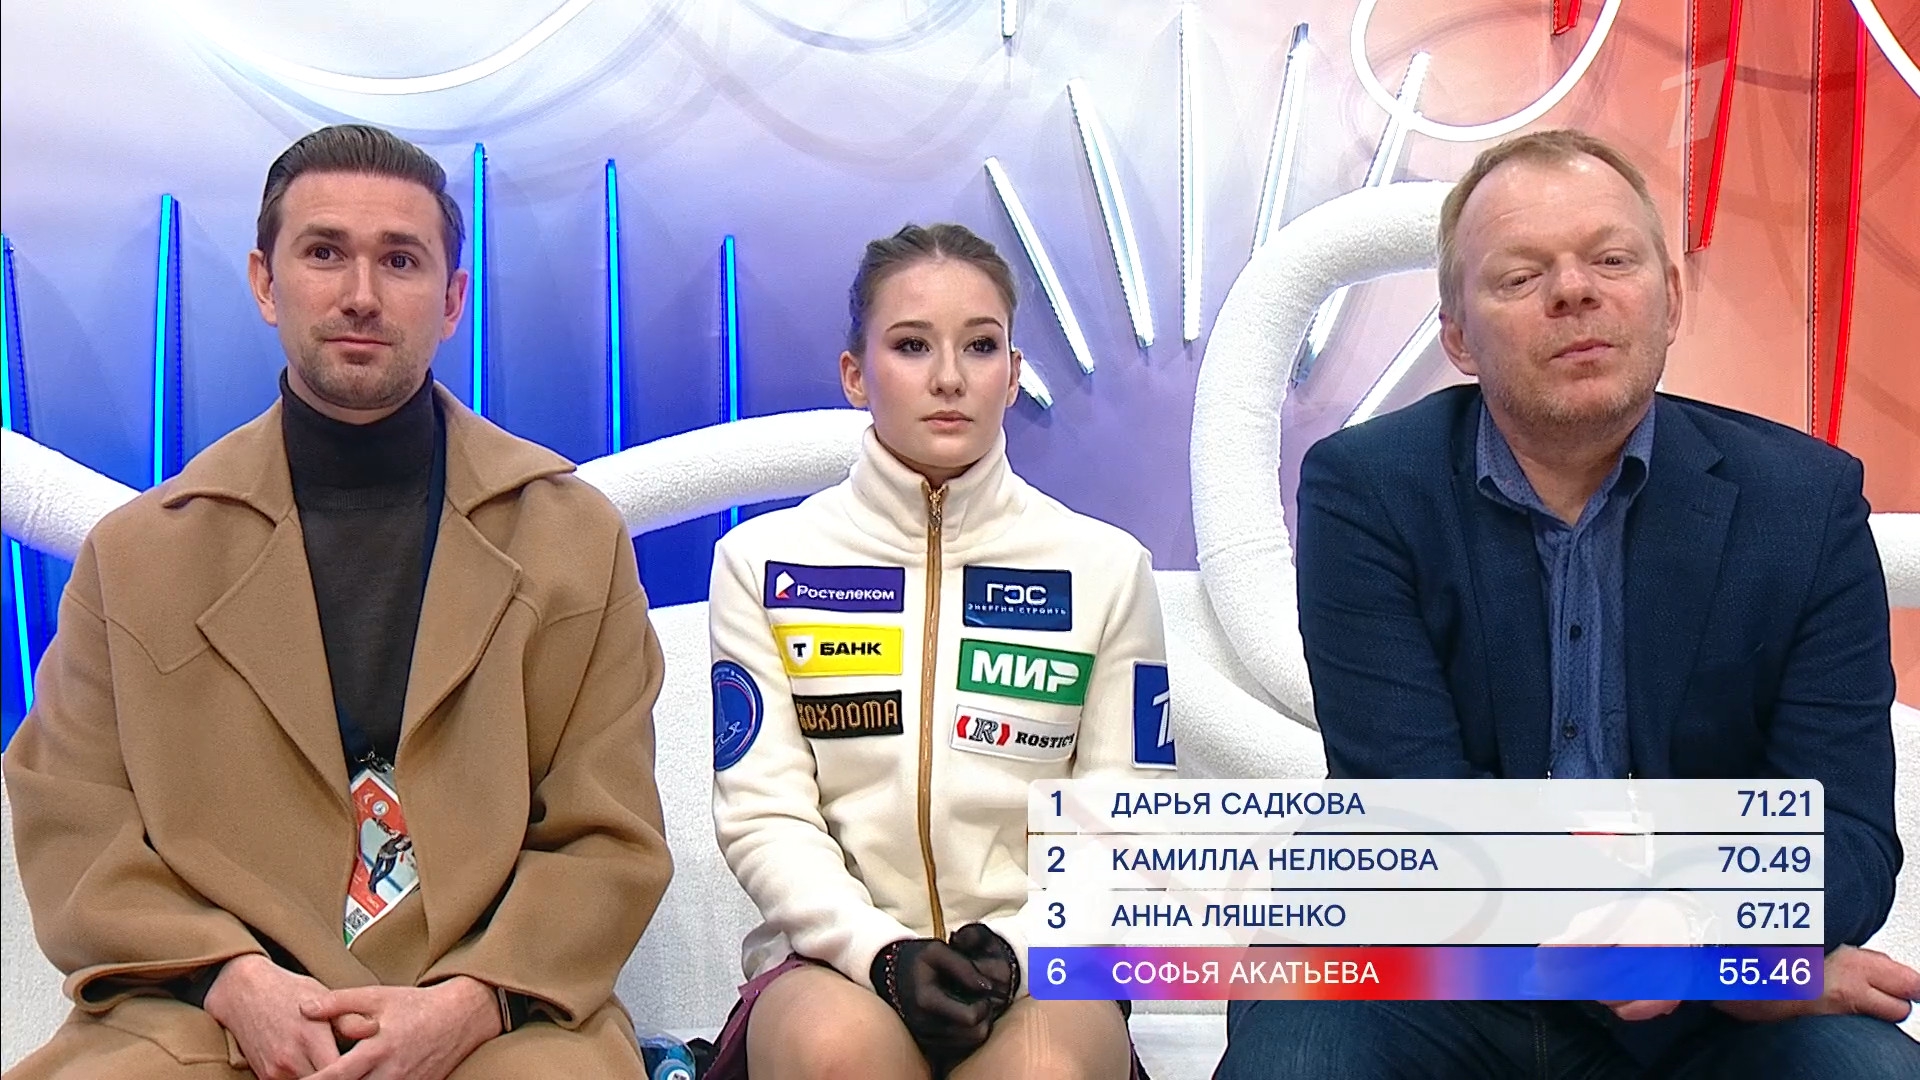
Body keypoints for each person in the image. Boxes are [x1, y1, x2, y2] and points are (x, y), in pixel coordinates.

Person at [1214, 129, 1920, 1078]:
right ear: (1457, 337)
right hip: (1436, 968)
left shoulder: (1804, 502)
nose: (1575, 292)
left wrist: (1708, 936)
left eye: (1612, 260)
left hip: (1702, 999)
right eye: (1520, 276)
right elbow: (1412, 813)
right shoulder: (1366, 488)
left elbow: (1846, 833)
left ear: (1672, 298)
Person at [4, 124, 672, 1079]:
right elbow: (75, 817)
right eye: (324, 253)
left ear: (452, 301)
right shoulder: (138, 556)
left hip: (498, 1012)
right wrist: (232, 980)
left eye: (400, 260)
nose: (361, 294)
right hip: (204, 1011)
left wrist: (471, 1003)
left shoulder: (573, 537)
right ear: (264, 282)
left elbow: (610, 834)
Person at [703, 223, 1171, 1079]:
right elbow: (765, 814)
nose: (949, 377)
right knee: (841, 1058)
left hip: (1045, 964)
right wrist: (880, 954)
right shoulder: (760, 563)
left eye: (980, 346)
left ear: (1014, 374)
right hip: (829, 963)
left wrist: (1015, 952)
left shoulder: (1107, 568)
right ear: (856, 375)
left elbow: (1126, 822)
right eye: (912, 345)